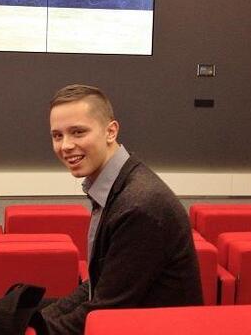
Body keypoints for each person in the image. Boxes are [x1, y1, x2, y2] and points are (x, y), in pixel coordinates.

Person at [41, 84, 203, 334]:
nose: (66, 146)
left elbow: (105, 312)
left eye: (78, 132)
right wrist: (36, 320)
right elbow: (97, 285)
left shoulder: (139, 206)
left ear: (111, 131)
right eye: (57, 135)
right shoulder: (117, 185)